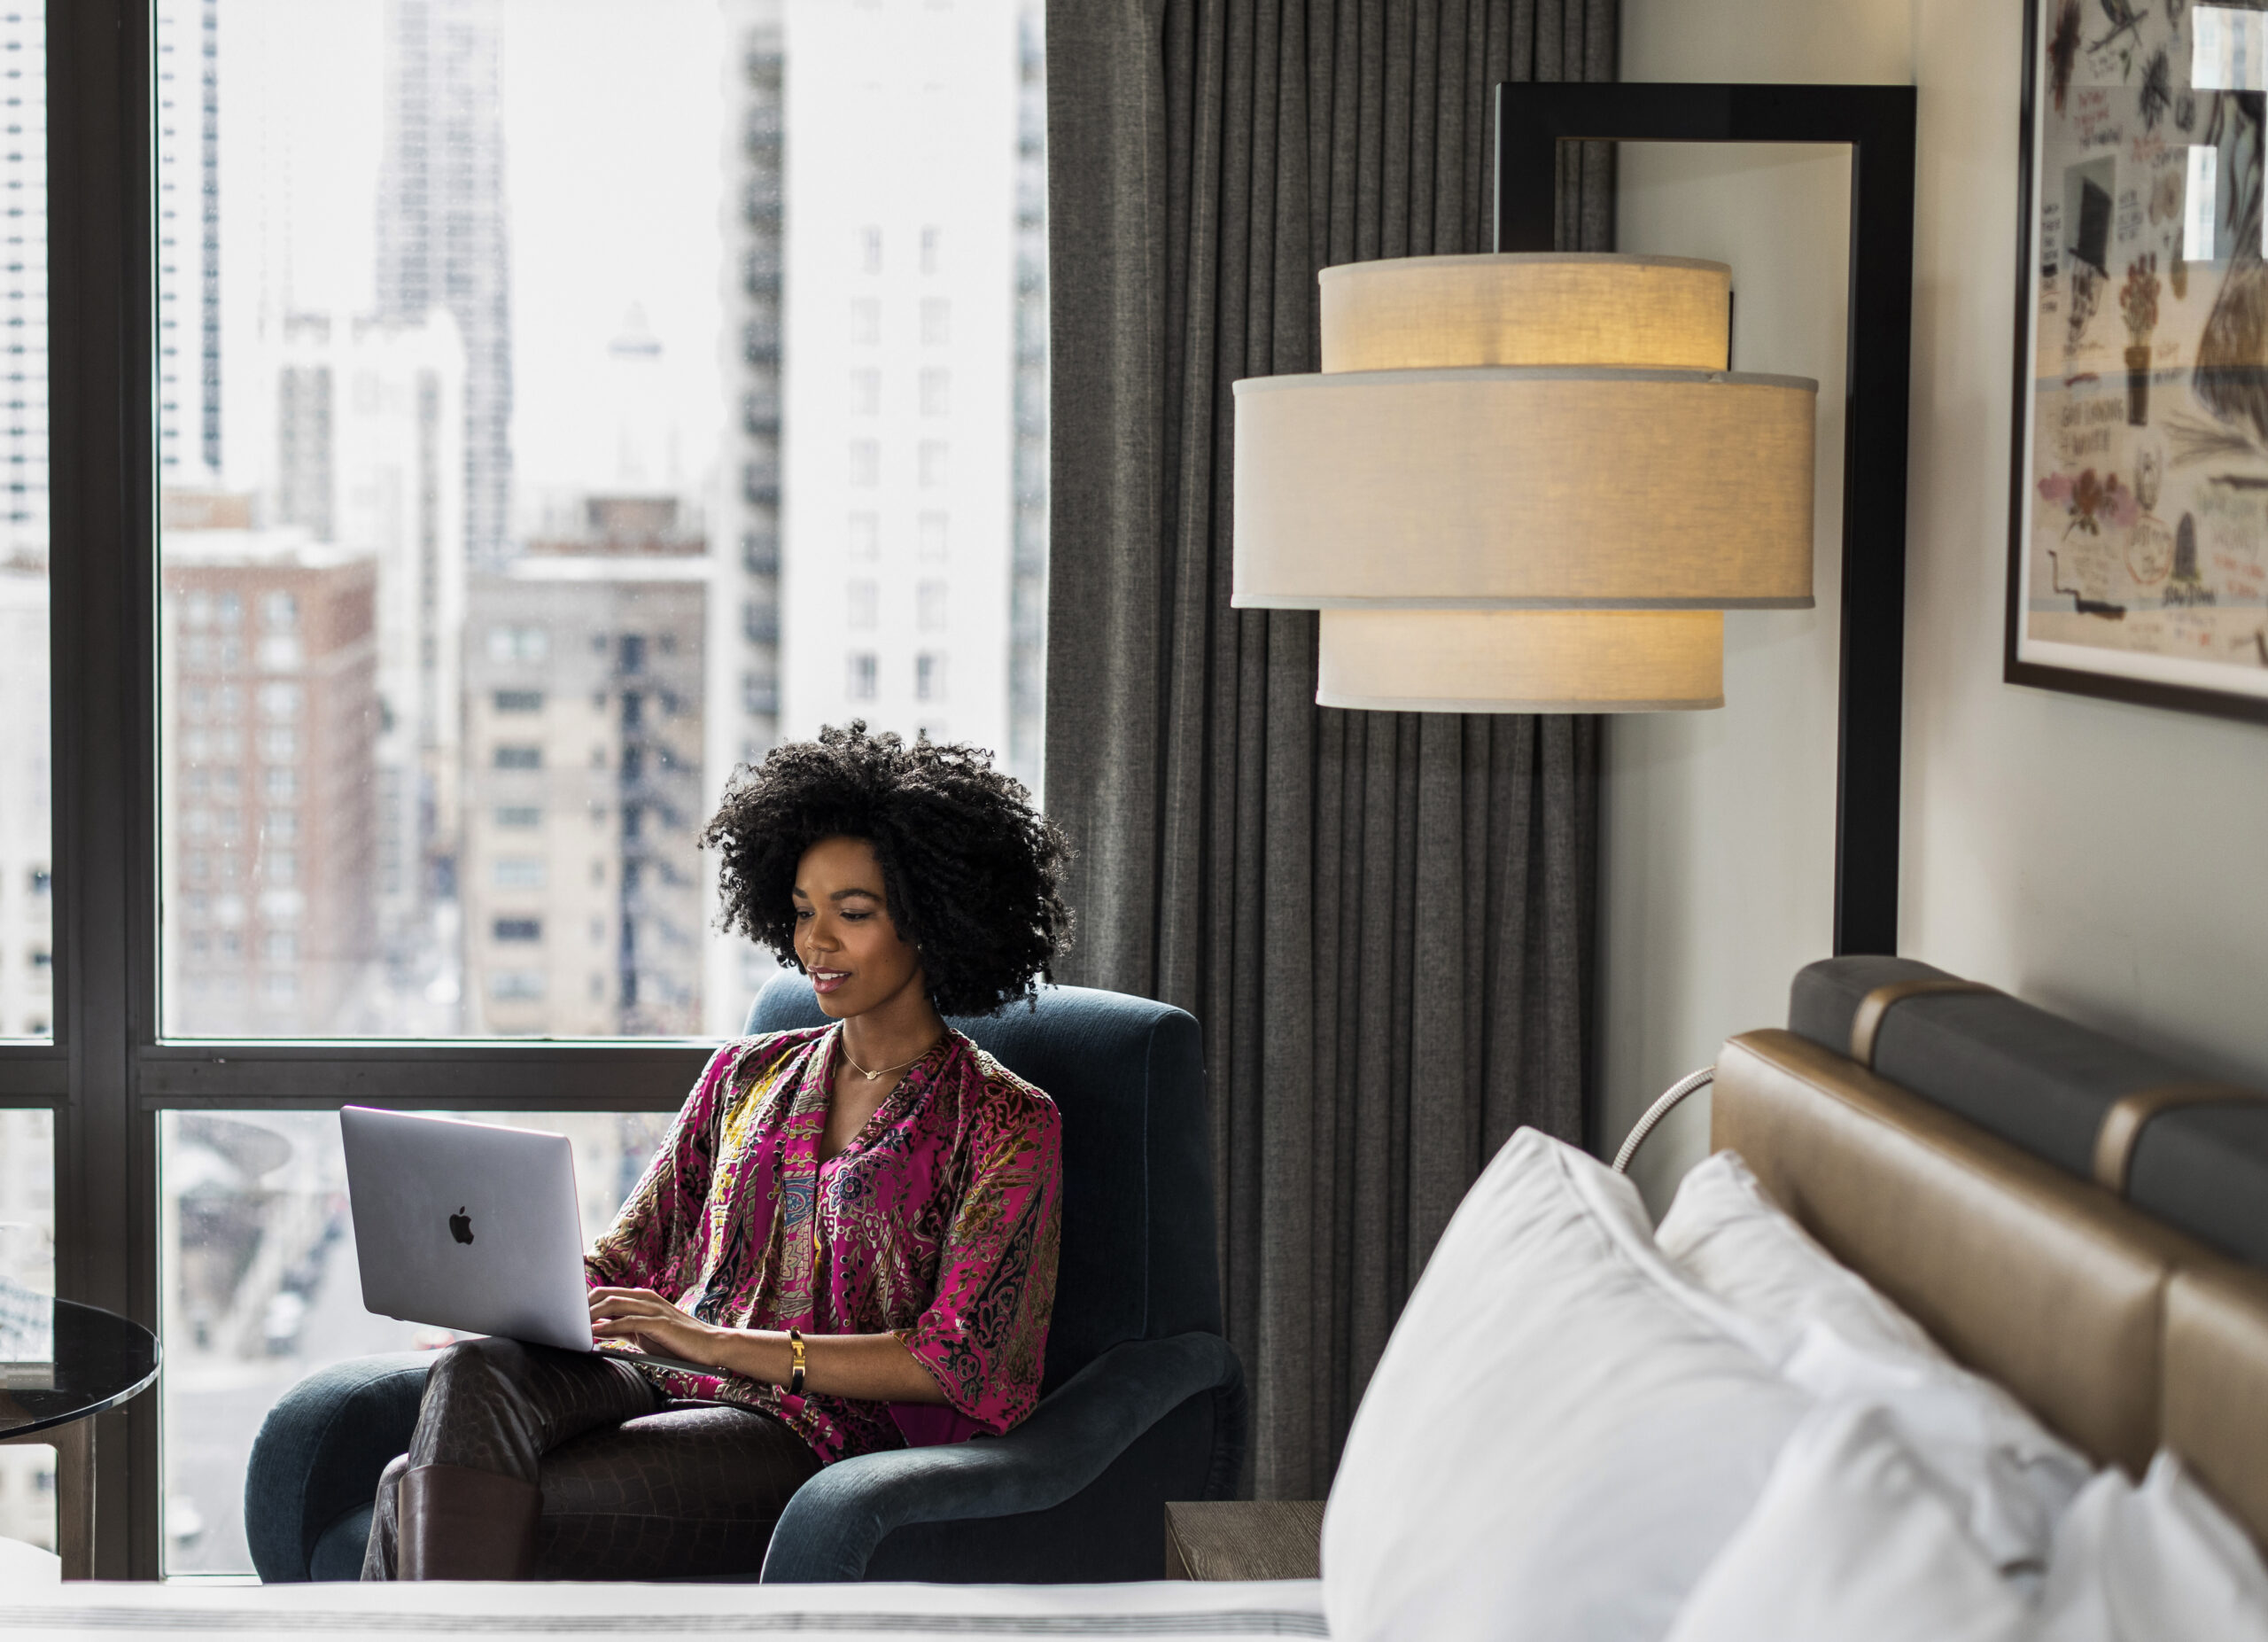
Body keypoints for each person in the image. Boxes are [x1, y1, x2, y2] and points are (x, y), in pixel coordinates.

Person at [363, 724, 1072, 1580]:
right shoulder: (745, 1074)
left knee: (409, 1489)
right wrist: (509, 1293)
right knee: (476, 1370)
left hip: (815, 1432)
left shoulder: (1004, 1121)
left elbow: (959, 1360)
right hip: (662, 1374)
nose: (816, 942)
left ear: (933, 921)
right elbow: (628, 1257)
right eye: (803, 911)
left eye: (853, 914)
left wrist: (718, 1341)